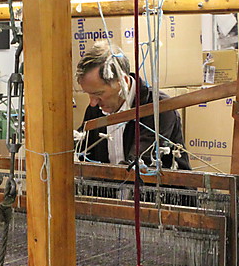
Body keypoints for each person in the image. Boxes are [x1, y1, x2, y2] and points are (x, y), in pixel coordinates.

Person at [73, 41, 191, 171]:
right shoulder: (96, 109)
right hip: (112, 190)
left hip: (157, 191)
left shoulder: (159, 109)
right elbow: (80, 150)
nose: (93, 102)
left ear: (123, 81)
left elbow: (139, 163)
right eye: (89, 94)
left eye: (98, 93)